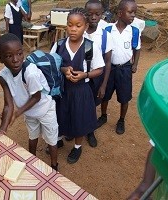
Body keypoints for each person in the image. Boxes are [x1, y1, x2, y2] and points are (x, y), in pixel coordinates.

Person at [50, 7, 104, 164]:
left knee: (79, 119)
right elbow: (52, 65)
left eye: (78, 25)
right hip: (62, 90)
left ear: (86, 26)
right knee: (60, 115)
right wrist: (63, 69)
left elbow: (99, 69)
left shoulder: (90, 47)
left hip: (81, 91)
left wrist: (85, 75)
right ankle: (59, 139)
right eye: (70, 25)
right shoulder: (59, 45)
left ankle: (77, 147)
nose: (73, 29)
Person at [0, 33, 59, 170]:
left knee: (51, 140)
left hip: (45, 109)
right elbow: (8, 105)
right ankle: (31, 162)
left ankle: (54, 166)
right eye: (9, 56)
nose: (15, 60)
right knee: (32, 136)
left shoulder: (30, 73)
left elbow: (36, 97)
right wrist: (2, 129)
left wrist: (18, 113)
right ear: (0, 58)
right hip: (29, 112)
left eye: (19, 54)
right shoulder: (3, 76)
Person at [96, 0, 141, 135]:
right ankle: (103, 115)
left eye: (135, 12)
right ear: (120, 13)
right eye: (130, 12)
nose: (133, 15)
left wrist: (135, 64)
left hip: (125, 69)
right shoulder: (109, 30)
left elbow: (137, 48)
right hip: (109, 69)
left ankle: (121, 120)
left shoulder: (134, 31)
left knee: (124, 96)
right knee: (105, 95)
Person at [84, 0, 113, 147]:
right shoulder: (79, 31)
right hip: (79, 76)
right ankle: (76, 129)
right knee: (78, 103)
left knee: (91, 105)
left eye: (97, 14)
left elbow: (108, 62)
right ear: (85, 14)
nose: (93, 17)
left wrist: (103, 85)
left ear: (102, 15)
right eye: (90, 14)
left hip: (96, 78)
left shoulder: (104, 35)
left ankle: (90, 131)